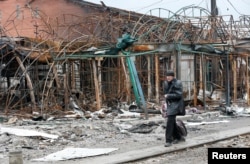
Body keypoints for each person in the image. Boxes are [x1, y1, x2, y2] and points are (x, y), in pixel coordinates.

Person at [163, 70, 186, 147]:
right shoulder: (166, 83)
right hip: (170, 105)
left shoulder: (178, 83)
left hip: (176, 105)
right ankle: (178, 136)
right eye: (167, 76)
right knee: (172, 121)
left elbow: (179, 95)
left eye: (169, 76)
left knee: (170, 122)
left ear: (173, 76)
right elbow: (166, 93)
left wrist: (168, 96)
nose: (168, 77)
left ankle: (168, 140)